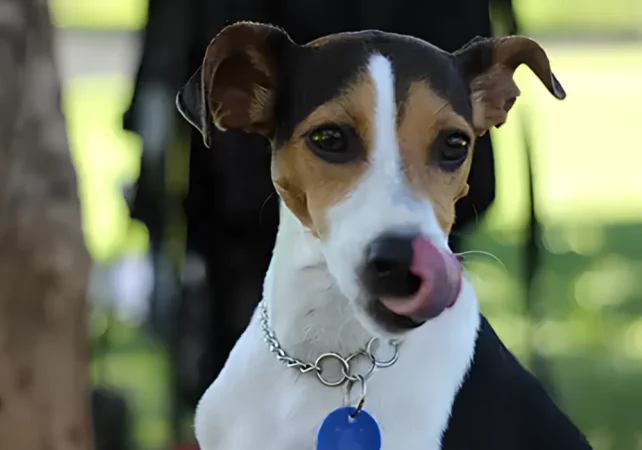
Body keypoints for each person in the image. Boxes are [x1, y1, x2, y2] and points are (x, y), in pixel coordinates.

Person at [123, 0, 515, 437]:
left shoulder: (452, 404)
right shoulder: (227, 414)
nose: (403, 216)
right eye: (332, 139)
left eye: (451, 147)